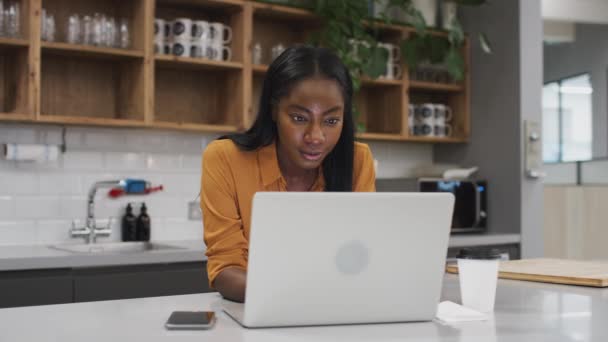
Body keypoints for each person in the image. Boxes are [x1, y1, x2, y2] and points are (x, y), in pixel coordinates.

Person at [200, 45, 376, 303]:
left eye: (330, 121)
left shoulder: (358, 160)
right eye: (299, 118)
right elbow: (226, 269)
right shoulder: (225, 158)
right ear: (274, 110)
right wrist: (301, 295)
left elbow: (363, 259)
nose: (315, 137)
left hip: (337, 314)